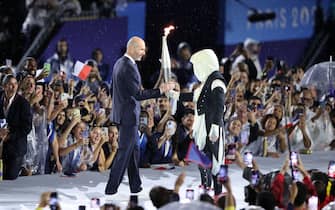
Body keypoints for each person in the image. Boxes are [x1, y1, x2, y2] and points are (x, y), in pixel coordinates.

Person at [105, 36, 175, 195]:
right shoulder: (128, 66)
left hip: (125, 114)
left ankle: (135, 185)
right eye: (141, 49)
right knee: (124, 152)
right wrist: (161, 90)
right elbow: (138, 94)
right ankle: (111, 188)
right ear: (132, 48)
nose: (144, 52)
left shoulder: (119, 63)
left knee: (134, 151)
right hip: (128, 116)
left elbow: (115, 90)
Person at [168, 49, 227, 195]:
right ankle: (205, 187)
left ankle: (217, 192)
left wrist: (214, 126)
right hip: (201, 125)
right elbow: (192, 96)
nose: (196, 71)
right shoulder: (205, 83)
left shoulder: (217, 81)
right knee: (203, 159)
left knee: (214, 161)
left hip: (210, 126)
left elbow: (219, 105)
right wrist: (174, 94)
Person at [0, 74, 33, 180]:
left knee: (9, 180)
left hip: (15, 150)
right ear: (3, 86)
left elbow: (26, 127)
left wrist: (9, 136)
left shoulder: (23, 103)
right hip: (0, 147)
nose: (13, 87)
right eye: (10, 84)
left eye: (15, 84)